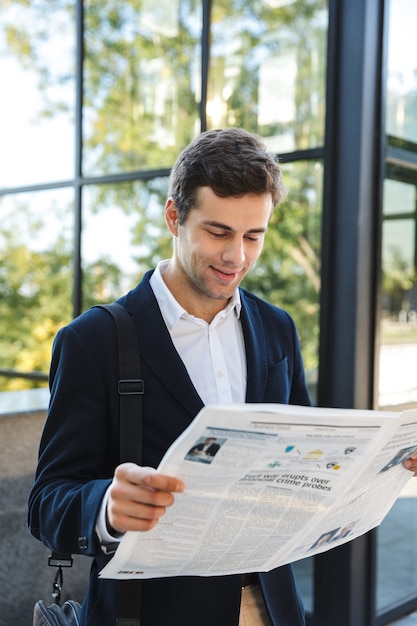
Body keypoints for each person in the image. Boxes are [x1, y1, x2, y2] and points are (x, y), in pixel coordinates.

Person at [27, 127, 417, 626]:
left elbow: (309, 461)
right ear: (174, 217)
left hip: (272, 607)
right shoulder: (94, 340)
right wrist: (104, 506)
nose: (237, 257)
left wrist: (384, 466)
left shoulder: (276, 329)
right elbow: (47, 502)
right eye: (218, 232)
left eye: (253, 236)